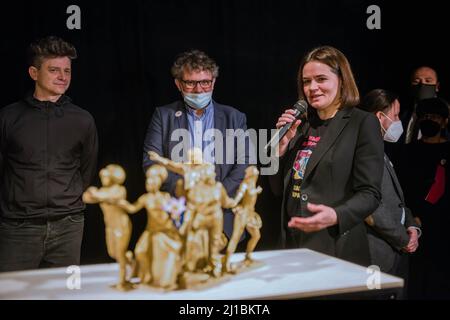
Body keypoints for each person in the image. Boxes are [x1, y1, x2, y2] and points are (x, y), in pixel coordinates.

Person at [269, 46, 384, 266]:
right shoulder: (300, 126)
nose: (312, 88)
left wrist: (336, 215)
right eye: (306, 81)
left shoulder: (362, 123)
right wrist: (279, 151)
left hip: (335, 245)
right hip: (292, 245)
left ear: (342, 80)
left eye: (321, 79)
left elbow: (370, 193)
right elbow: (276, 190)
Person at [0, 36, 98, 272]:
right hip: (18, 228)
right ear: (34, 73)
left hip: (69, 226)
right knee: (14, 295)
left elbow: (87, 170)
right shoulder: (8, 117)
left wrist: (68, 205)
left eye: (67, 70)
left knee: (65, 295)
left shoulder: (83, 119)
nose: (62, 77)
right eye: (54, 70)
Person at [142, 49, 249, 239]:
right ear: (178, 84)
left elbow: (245, 164)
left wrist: (216, 195)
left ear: (213, 82)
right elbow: (152, 162)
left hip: (223, 218)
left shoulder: (234, 117)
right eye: (191, 83)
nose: (199, 90)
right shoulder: (163, 116)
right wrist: (187, 193)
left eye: (205, 82)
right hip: (178, 215)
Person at [359, 89, 420, 298]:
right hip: (375, 254)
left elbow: (396, 200)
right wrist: (403, 238)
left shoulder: (380, 150)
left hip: (393, 252)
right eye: (394, 115)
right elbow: (371, 208)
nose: (397, 121)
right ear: (379, 116)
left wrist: (412, 226)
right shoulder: (364, 152)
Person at [397, 97, 450, 299]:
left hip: (442, 229)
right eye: (425, 116)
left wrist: (426, 217)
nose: (429, 120)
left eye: (435, 117)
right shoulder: (407, 151)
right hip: (410, 228)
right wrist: (412, 219)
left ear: (444, 121)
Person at [82, 165, 133, 290]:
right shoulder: (103, 191)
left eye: (105, 176)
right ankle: (130, 259)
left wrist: (95, 193)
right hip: (110, 227)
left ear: (112, 177)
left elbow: (110, 198)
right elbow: (85, 198)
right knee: (113, 253)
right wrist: (90, 191)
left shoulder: (119, 190)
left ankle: (122, 281)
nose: (103, 179)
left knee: (119, 255)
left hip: (121, 225)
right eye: (102, 177)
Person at [402, 66, 441, 145]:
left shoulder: (445, 112)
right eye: (416, 81)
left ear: (437, 86)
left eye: (428, 81)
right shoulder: (402, 111)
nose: (422, 84)